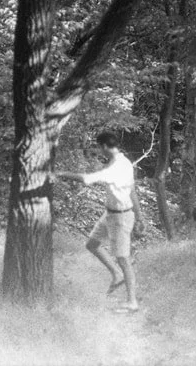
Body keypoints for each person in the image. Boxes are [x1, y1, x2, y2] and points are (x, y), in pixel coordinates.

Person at [55, 132, 144, 313]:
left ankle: (132, 302)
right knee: (92, 244)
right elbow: (132, 190)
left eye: (98, 147)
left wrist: (62, 173)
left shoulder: (116, 167)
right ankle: (116, 274)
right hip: (109, 214)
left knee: (123, 258)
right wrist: (140, 216)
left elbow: (87, 179)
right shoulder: (124, 162)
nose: (98, 150)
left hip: (121, 217)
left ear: (104, 146)